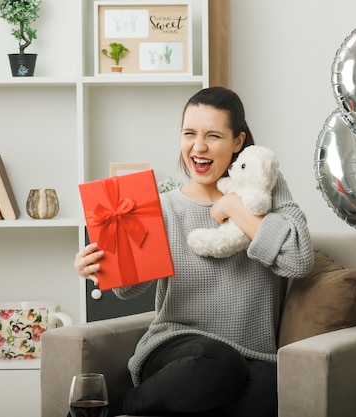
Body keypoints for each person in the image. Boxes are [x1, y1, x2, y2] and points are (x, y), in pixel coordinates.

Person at [74, 86, 315, 416]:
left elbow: (298, 259)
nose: (198, 147)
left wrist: (237, 209)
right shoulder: (162, 207)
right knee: (220, 361)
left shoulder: (266, 187)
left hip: (253, 357)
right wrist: (98, 267)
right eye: (189, 133)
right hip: (176, 348)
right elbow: (128, 290)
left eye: (213, 136)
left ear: (238, 142)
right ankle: (113, 408)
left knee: (272, 388)